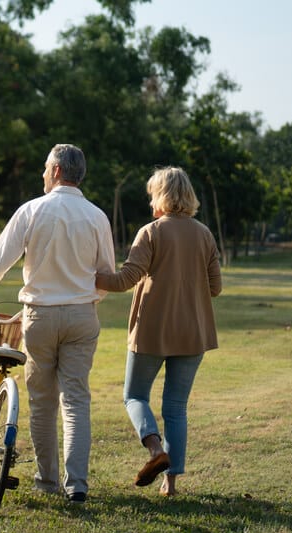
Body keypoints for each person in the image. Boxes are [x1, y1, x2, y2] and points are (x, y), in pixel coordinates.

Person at [0, 144, 115, 504]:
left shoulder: (33, 210)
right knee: (76, 399)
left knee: (42, 402)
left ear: (56, 171)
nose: (42, 174)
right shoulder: (97, 216)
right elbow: (106, 276)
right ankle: (78, 485)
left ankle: (47, 479)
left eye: (44, 169)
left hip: (39, 316)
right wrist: (85, 300)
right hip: (82, 315)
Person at [95, 166, 221, 496]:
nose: (150, 200)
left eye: (152, 193)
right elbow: (216, 287)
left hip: (152, 331)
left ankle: (155, 451)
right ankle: (170, 484)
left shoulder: (150, 233)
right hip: (193, 333)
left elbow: (124, 280)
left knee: (134, 395)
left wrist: (88, 275)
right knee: (176, 408)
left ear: (161, 196)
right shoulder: (205, 234)